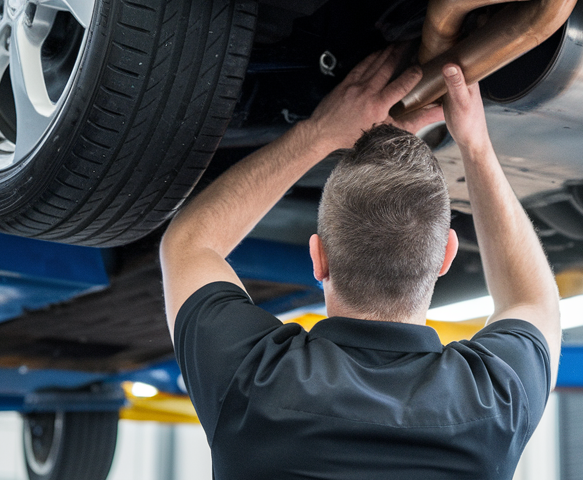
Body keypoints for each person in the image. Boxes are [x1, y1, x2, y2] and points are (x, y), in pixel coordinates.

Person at [160, 45, 562, 479]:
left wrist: (472, 142)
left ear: (319, 259)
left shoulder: (253, 380)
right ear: (445, 256)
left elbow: (189, 244)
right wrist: (477, 149)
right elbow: (532, 300)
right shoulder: (493, 401)